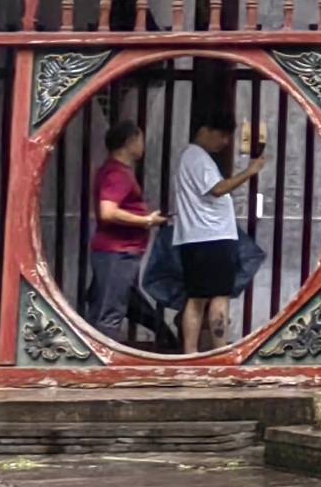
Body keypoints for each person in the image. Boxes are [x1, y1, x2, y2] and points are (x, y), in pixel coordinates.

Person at [171, 106, 257, 352]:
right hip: (213, 238)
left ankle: (190, 353)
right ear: (205, 131)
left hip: (195, 238)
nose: (225, 141)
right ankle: (219, 353)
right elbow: (218, 189)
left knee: (196, 298)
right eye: (222, 135)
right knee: (219, 298)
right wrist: (248, 172)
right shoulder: (197, 156)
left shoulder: (191, 157)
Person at [82, 109, 156, 344]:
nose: (143, 145)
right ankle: (101, 367)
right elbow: (108, 211)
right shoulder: (118, 173)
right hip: (118, 251)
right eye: (140, 139)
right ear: (130, 141)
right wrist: (146, 221)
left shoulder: (113, 170)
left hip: (117, 250)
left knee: (107, 304)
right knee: (110, 311)